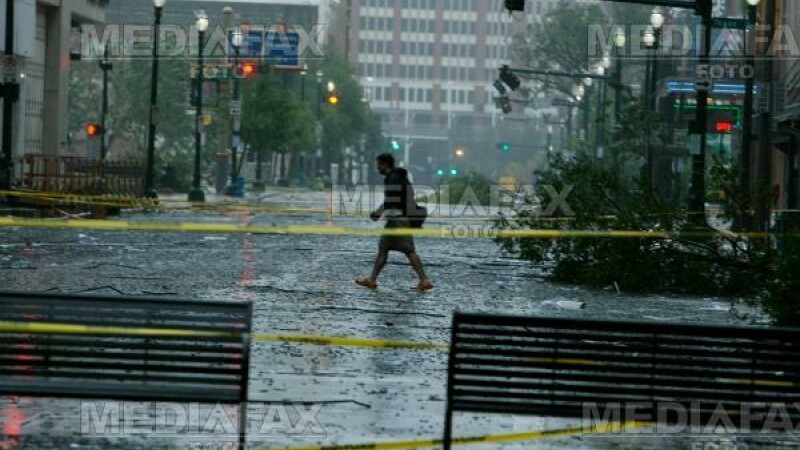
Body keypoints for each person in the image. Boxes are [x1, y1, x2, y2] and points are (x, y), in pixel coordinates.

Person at [356, 154, 434, 291]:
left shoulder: (393, 178)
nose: (377, 168)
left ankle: (424, 280)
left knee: (409, 251)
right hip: (397, 219)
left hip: (399, 220)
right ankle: (372, 279)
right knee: (383, 249)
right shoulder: (398, 177)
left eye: (379, 164)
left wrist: (378, 213)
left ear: (385, 164)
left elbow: (391, 200)